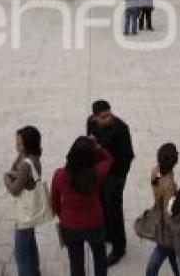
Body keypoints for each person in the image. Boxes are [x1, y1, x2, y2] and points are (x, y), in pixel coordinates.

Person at [50, 136, 114, 276]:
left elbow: (54, 203)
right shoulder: (97, 173)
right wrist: (98, 147)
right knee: (99, 257)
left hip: (70, 226)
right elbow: (109, 159)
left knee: (76, 262)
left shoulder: (59, 175)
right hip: (94, 223)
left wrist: (64, 217)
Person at [86, 99, 134, 265]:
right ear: (95, 117)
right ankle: (106, 232)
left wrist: (119, 177)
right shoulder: (90, 123)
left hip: (115, 175)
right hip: (100, 172)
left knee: (114, 209)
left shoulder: (121, 128)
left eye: (109, 115)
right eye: (103, 117)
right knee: (100, 203)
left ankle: (119, 247)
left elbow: (128, 155)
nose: (108, 119)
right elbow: (90, 143)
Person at [3, 126, 45, 276]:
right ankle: (34, 271)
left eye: (20, 143)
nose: (17, 146)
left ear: (29, 144)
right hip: (29, 208)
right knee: (29, 243)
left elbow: (14, 190)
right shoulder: (29, 156)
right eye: (17, 142)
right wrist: (15, 172)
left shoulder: (27, 163)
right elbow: (16, 169)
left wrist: (6, 178)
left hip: (25, 212)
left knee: (21, 251)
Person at [146, 143, 180, 276]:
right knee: (161, 250)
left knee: (172, 253)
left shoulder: (156, 171)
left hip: (158, 213)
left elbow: (155, 184)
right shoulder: (169, 185)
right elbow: (168, 210)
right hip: (167, 225)